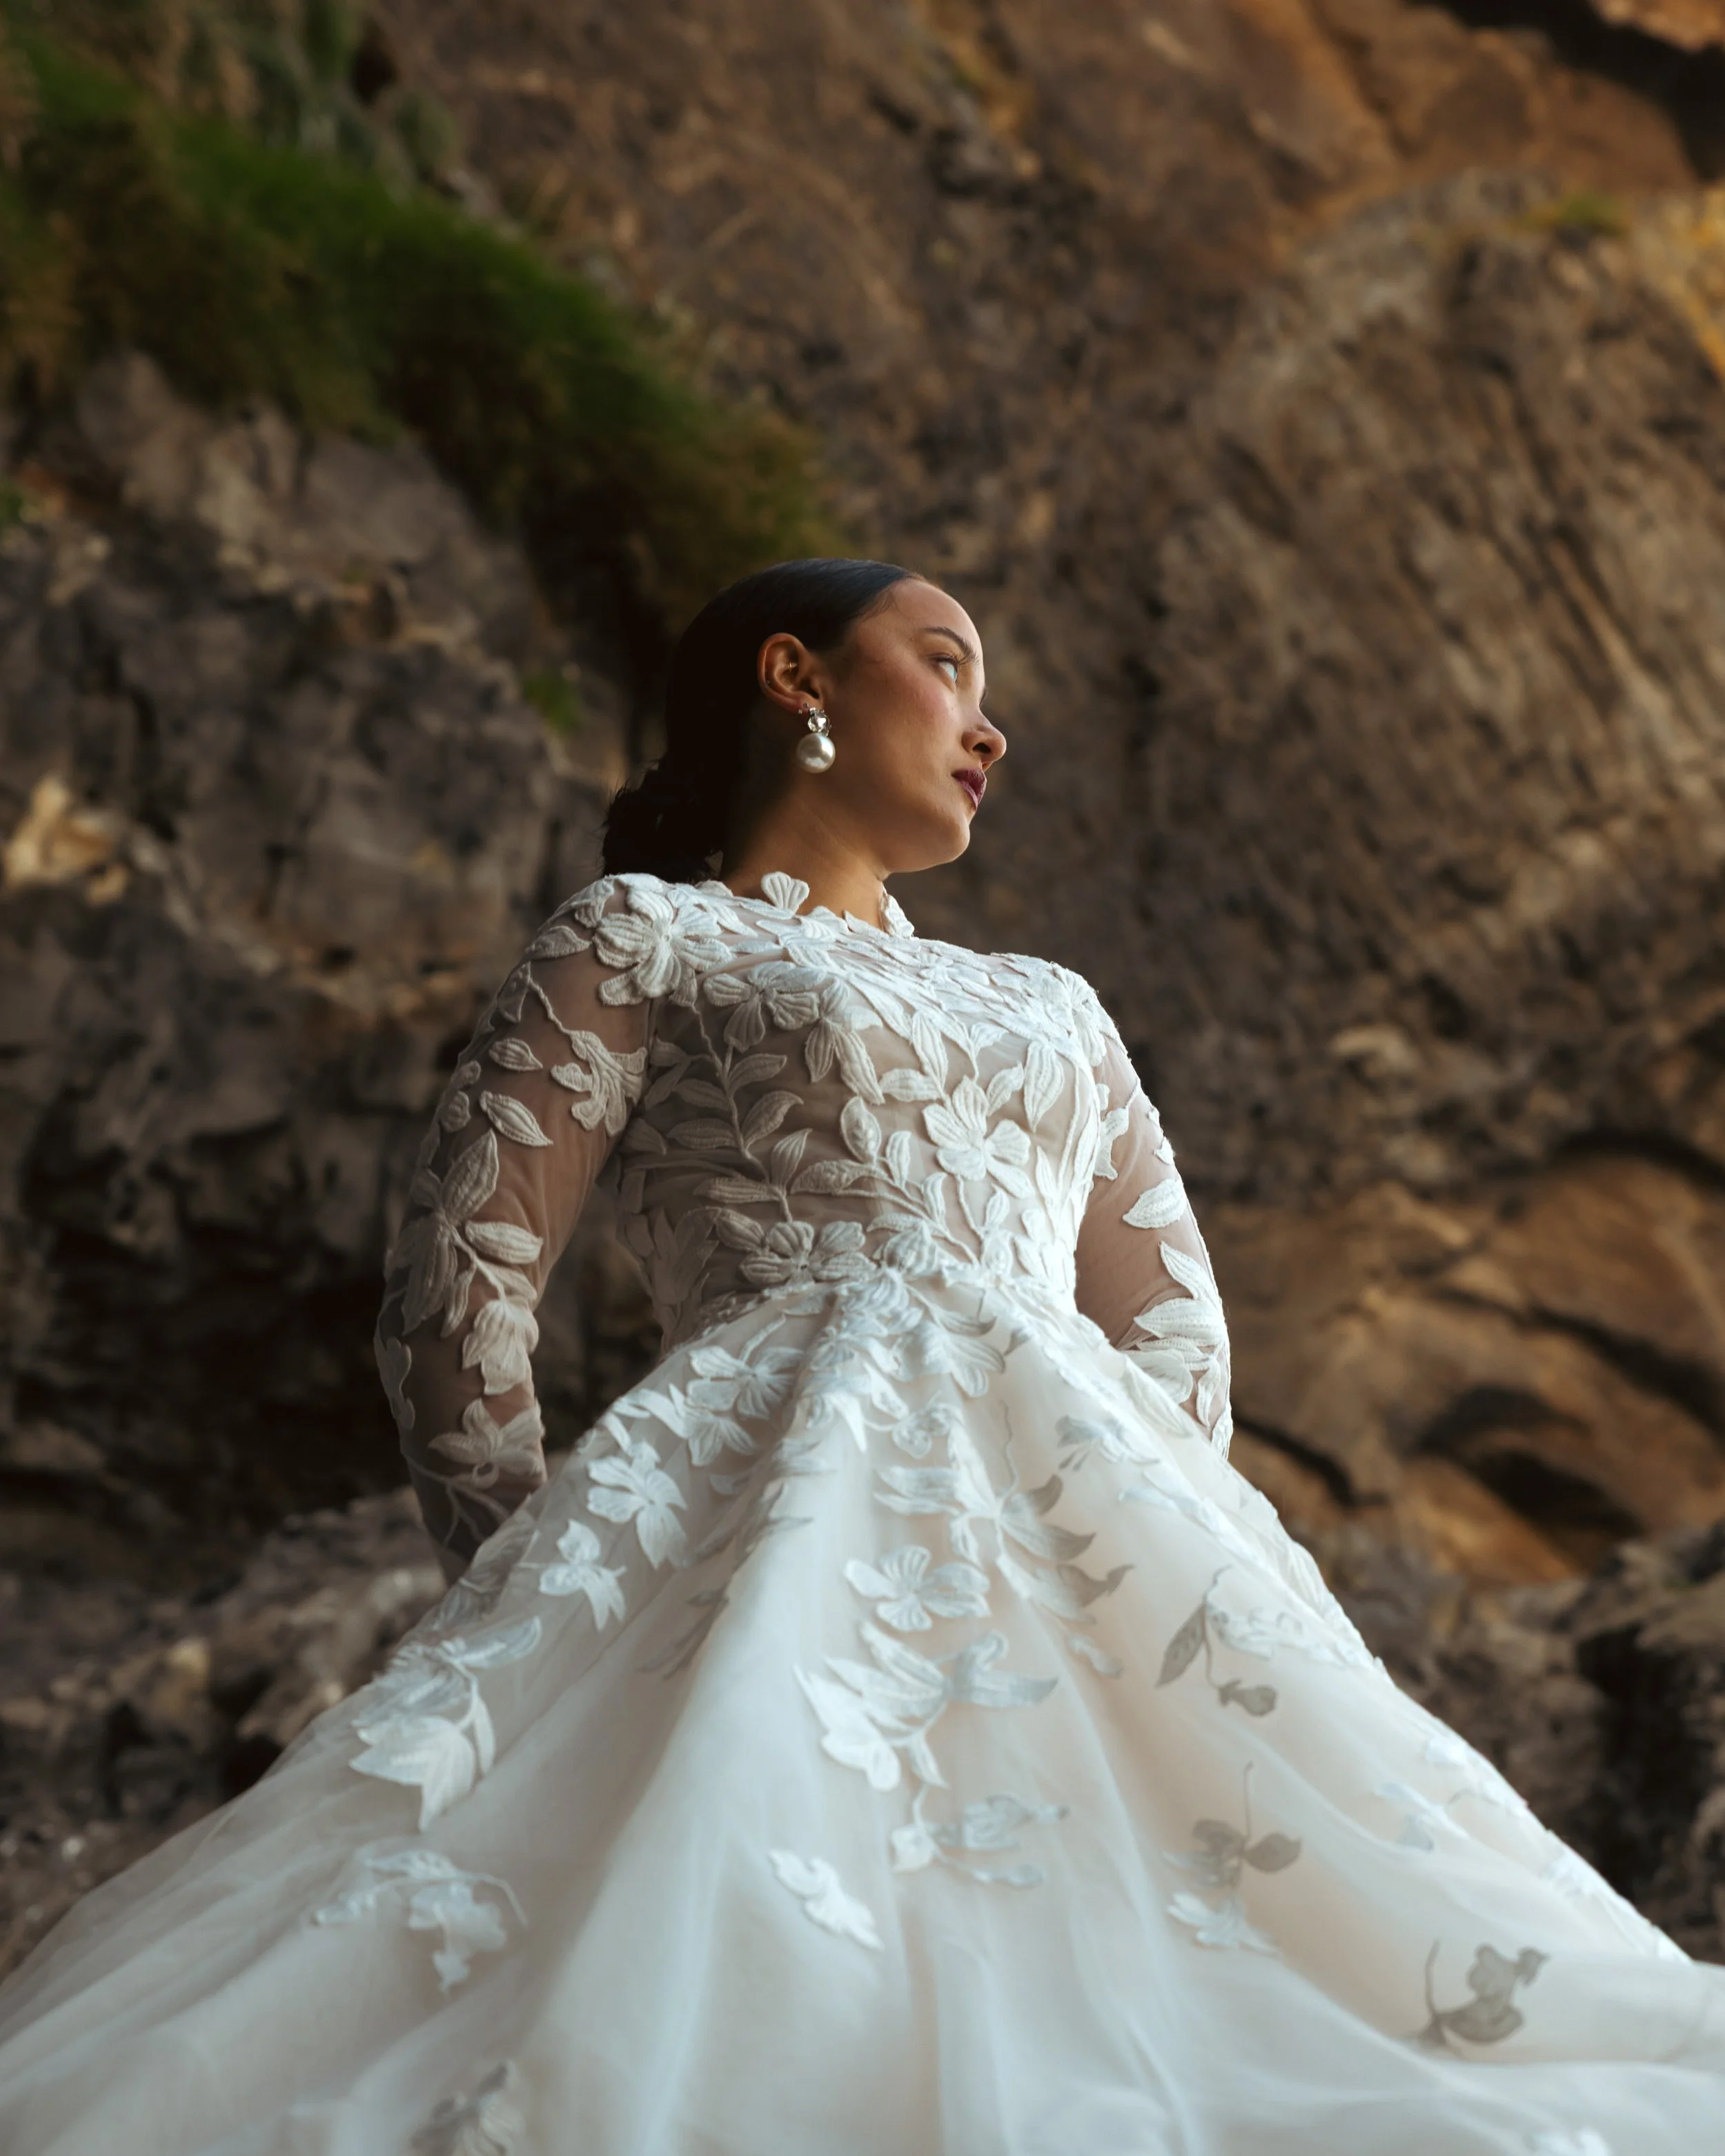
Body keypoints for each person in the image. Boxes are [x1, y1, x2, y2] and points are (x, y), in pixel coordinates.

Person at [0, 558, 1720, 2156]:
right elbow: (461, 1278)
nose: (989, 721)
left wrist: (1167, 1561)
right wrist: (533, 1600)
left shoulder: (1052, 999)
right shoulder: (646, 934)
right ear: (794, 675)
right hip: (747, 1526)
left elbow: (1175, 1318)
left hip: (1096, 1556)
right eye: (947, 661)